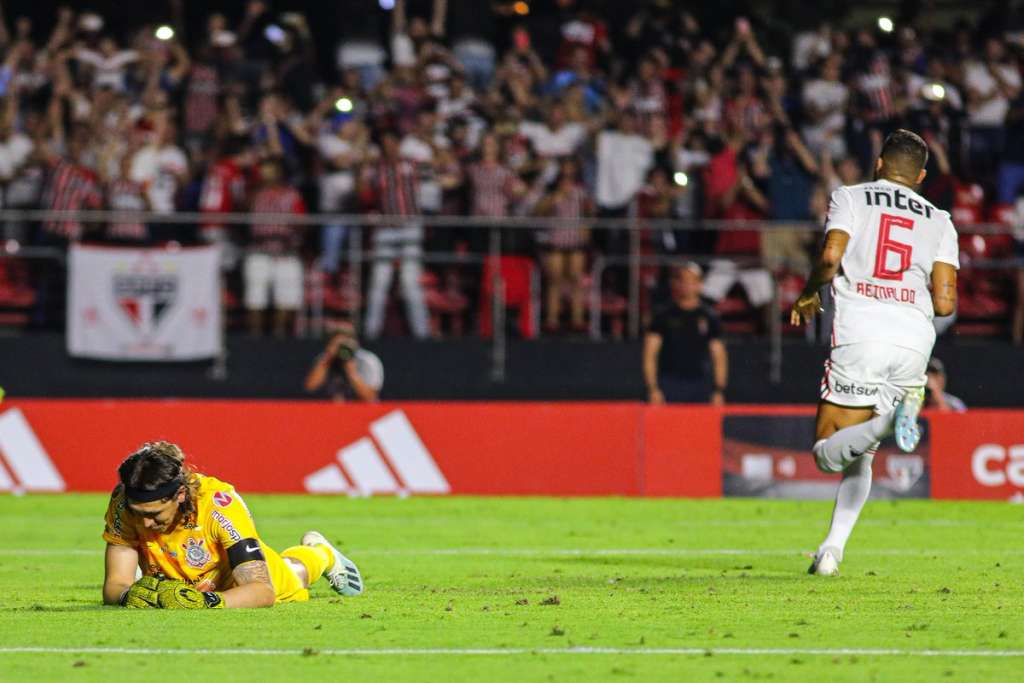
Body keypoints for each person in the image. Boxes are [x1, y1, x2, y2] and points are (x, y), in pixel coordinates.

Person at [790, 129, 959, 577]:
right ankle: (831, 552)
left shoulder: (852, 196)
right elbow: (945, 303)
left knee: (828, 452)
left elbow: (829, 258)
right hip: (913, 340)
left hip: (862, 330)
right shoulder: (940, 220)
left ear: (879, 163)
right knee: (861, 454)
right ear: (921, 175)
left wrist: (809, 291)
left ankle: (889, 420)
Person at [102, 441, 363, 609]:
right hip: (183, 583)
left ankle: (321, 553)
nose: (145, 523)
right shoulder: (125, 503)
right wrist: (128, 597)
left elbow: (262, 591)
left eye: (155, 514)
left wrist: (208, 602)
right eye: (138, 514)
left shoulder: (219, 505)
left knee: (294, 574)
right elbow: (115, 585)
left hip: (236, 583)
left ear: (180, 495)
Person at [643, 262, 728, 405]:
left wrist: (718, 389)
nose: (687, 286)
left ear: (700, 284)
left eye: (692, 281)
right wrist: (653, 388)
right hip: (670, 383)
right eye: (683, 281)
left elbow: (719, 355)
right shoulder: (663, 315)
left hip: (700, 384)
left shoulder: (709, 316)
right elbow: (650, 353)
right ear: (676, 284)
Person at [304, 321, 384, 402]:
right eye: (337, 345)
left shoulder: (368, 361)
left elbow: (370, 397)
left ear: (354, 344)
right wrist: (327, 360)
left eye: (344, 345)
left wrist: (352, 372)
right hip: (333, 410)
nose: (341, 350)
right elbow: (310, 387)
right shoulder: (324, 359)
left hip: (362, 410)